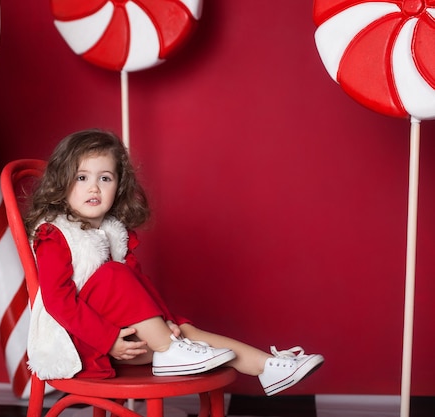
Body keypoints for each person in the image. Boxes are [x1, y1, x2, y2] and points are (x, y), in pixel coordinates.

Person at [23, 129, 324, 396]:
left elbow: (137, 287)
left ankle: (267, 367)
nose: (94, 188)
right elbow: (57, 302)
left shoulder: (112, 233)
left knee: (183, 329)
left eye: (105, 178)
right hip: (81, 343)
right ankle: (168, 349)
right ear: (62, 182)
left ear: (118, 187)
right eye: (82, 177)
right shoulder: (55, 234)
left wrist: (164, 321)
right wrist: (109, 340)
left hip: (125, 339)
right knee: (113, 274)